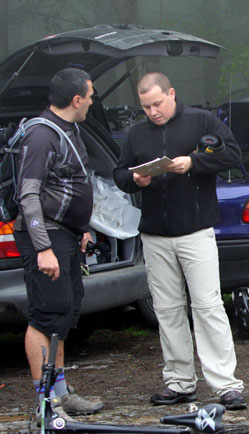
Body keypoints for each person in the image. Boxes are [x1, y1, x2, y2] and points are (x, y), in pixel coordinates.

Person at [113, 72, 247, 409]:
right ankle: (180, 382)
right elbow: (118, 174)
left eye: (157, 103)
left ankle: (226, 385)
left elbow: (232, 155)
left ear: (171, 93)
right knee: (168, 310)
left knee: (207, 306)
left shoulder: (202, 120)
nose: (153, 112)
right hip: (155, 235)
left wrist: (195, 162)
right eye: (146, 107)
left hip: (196, 231)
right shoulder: (137, 134)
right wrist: (135, 179)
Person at [13, 68, 103, 418]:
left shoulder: (69, 129)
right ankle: (45, 405)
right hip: (45, 236)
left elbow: (67, 183)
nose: (93, 101)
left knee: (62, 316)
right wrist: (43, 248)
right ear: (76, 99)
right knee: (44, 318)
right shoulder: (40, 135)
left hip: (65, 233)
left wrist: (80, 227)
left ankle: (62, 394)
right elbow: (29, 195)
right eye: (91, 95)